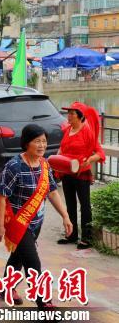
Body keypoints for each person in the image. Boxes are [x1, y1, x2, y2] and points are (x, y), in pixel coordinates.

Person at [0, 124, 73, 308]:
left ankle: (6, 286)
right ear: (26, 143)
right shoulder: (13, 166)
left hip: (35, 222)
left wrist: (65, 216)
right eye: (37, 141)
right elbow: (0, 196)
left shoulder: (44, 164)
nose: (41, 145)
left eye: (44, 141)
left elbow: (52, 192)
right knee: (32, 262)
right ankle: (44, 303)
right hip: (17, 223)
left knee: (18, 257)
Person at [57, 102, 105, 250]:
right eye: (68, 113)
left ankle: (86, 238)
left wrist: (89, 160)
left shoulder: (87, 131)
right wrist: (56, 160)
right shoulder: (68, 130)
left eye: (72, 113)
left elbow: (99, 153)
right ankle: (71, 234)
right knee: (70, 205)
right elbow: (62, 148)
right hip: (67, 173)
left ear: (80, 116)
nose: (68, 116)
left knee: (85, 206)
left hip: (81, 173)